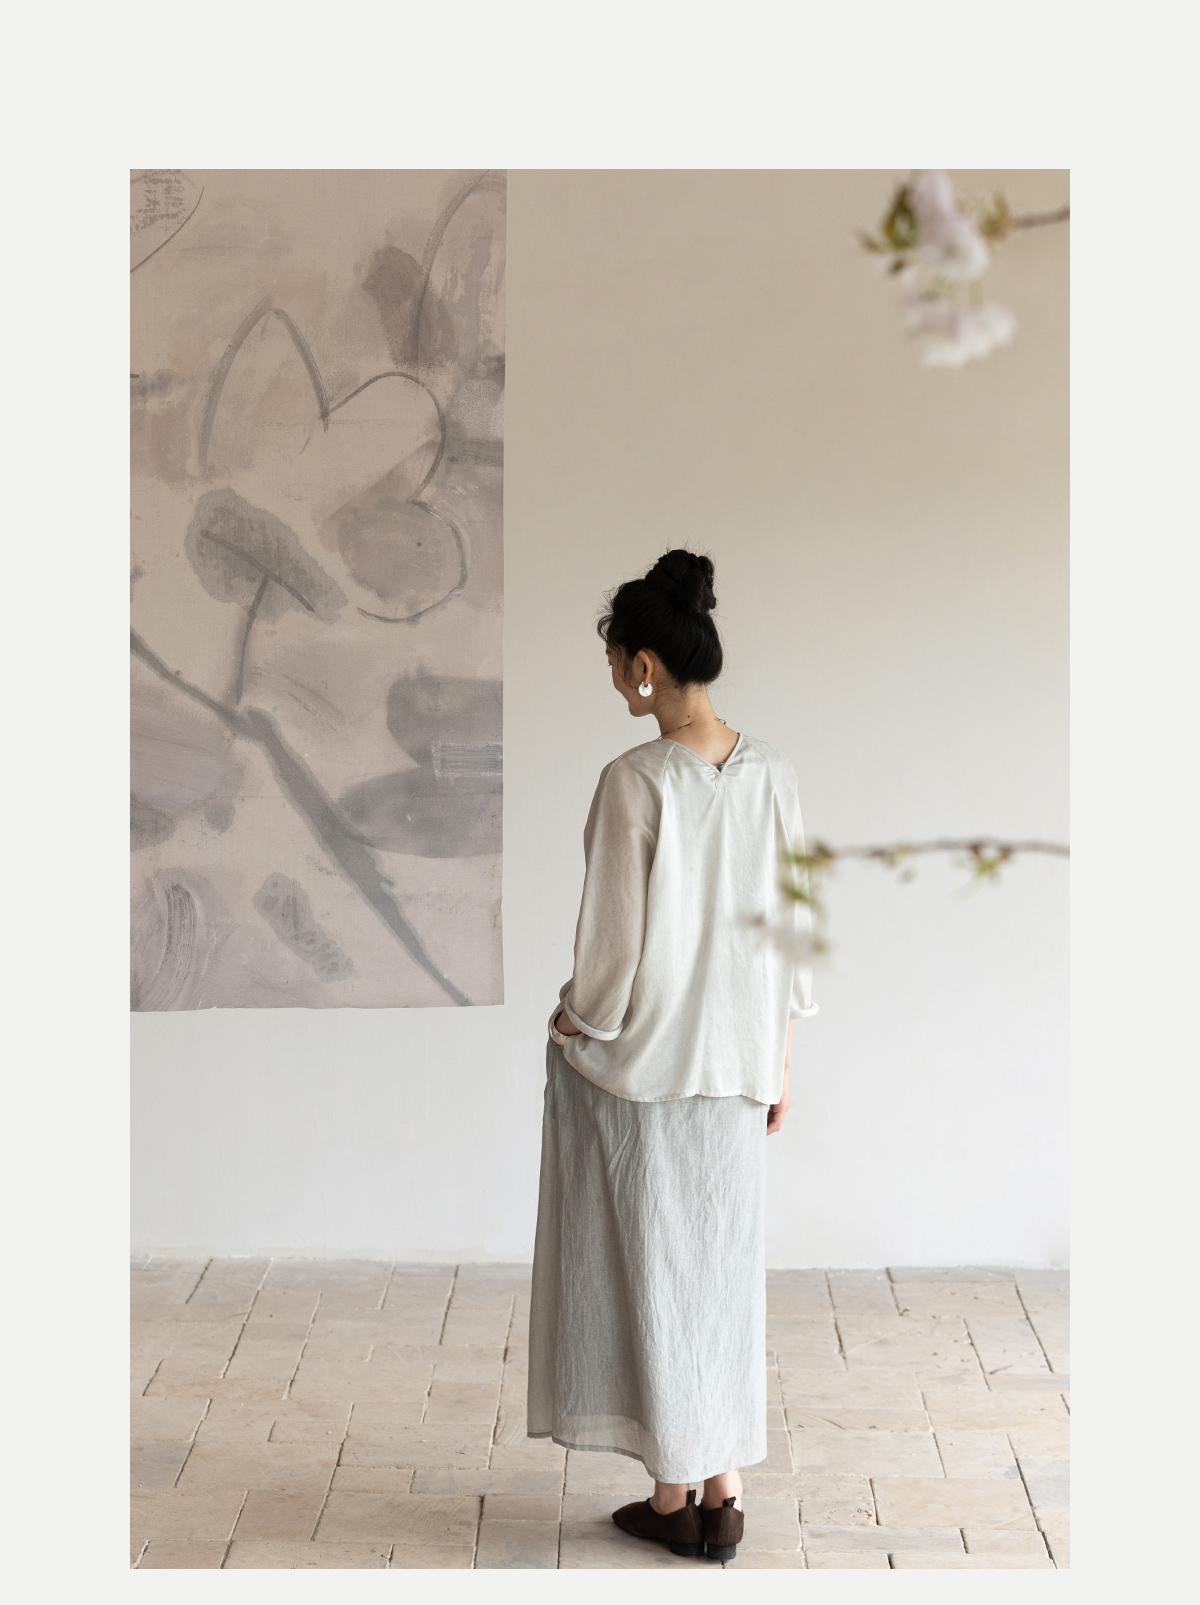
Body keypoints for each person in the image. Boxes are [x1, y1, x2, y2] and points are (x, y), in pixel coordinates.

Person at [526, 548, 818, 1563]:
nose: (615, 681)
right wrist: (781, 1063)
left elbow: (610, 958)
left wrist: (574, 1020)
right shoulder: (774, 774)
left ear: (644, 664)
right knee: (722, 1275)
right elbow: (793, 936)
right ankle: (722, 1494)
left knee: (656, 1275)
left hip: (648, 1074)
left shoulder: (634, 782)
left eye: (616, 664)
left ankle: (669, 1496)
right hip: (739, 1069)